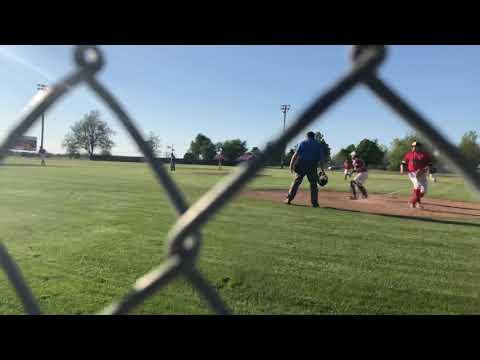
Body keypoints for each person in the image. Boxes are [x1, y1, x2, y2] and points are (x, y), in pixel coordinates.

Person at [285, 131, 326, 208]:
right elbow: (321, 159)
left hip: (301, 165)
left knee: (296, 182)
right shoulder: (318, 145)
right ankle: (315, 203)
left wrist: (291, 165)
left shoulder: (303, 143)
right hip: (313, 165)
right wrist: (322, 170)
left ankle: (289, 199)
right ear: (314, 137)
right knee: (313, 185)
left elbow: (295, 155)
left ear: (307, 136)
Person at [400, 140, 434, 209]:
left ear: (419, 147)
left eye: (415, 146)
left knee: (424, 191)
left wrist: (430, 175)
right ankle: (414, 202)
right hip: (412, 174)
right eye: (413, 146)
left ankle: (413, 200)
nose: (414, 147)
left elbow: (430, 165)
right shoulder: (409, 154)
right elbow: (402, 163)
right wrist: (402, 168)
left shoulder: (424, 155)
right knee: (417, 186)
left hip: (422, 174)